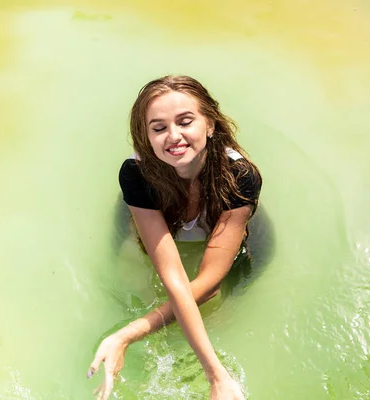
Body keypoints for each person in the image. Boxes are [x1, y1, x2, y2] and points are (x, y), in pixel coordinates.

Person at [87, 75, 263, 400]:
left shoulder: (240, 177)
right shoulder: (136, 175)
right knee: (134, 282)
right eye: (158, 128)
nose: (174, 136)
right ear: (147, 139)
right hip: (152, 215)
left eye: (185, 122)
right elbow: (174, 278)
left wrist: (128, 334)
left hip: (226, 220)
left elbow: (207, 283)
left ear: (209, 124)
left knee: (220, 304)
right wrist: (131, 331)